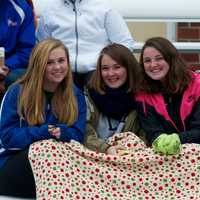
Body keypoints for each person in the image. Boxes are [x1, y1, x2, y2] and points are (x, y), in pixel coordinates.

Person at [0, 38, 86, 198]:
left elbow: (79, 136)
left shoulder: (76, 94)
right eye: (50, 62)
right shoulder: (17, 92)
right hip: (14, 166)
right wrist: (42, 133)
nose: (58, 67)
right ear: (39, 65)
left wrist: (63, 133)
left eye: (61, 61)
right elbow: (6, 139)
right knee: (47, 149)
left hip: (59, 169)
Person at [36, 0, 134, 90]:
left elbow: (124, 43)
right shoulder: (49, 12)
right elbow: (42, 47)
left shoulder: (105, 8)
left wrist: (109, 68)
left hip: (97, 71)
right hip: (63, 72)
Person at [135, 37, 200, 155]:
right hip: (166, 157)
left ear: (171, 59)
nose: (153, 65)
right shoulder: (143, 95)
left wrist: (178, 139)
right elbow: (153, 133)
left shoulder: (197, 85)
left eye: (159, 58)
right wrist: (161, 141)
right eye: (147, 60)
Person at [84, 43, 144, 154]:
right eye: (105, 68)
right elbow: (85, 133)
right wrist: (106, 148)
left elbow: (145, 137)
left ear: (128, 68)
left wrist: (126, 151)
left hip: (128, 158)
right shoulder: (88, 94)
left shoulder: (142, 98)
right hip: (93, 157)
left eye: (117, 67)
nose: (111, 73)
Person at [0, 0, 36, 96]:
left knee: (16, 77)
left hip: (8, 68)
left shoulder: (22, 8)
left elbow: (27, 50)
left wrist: (7, 66)